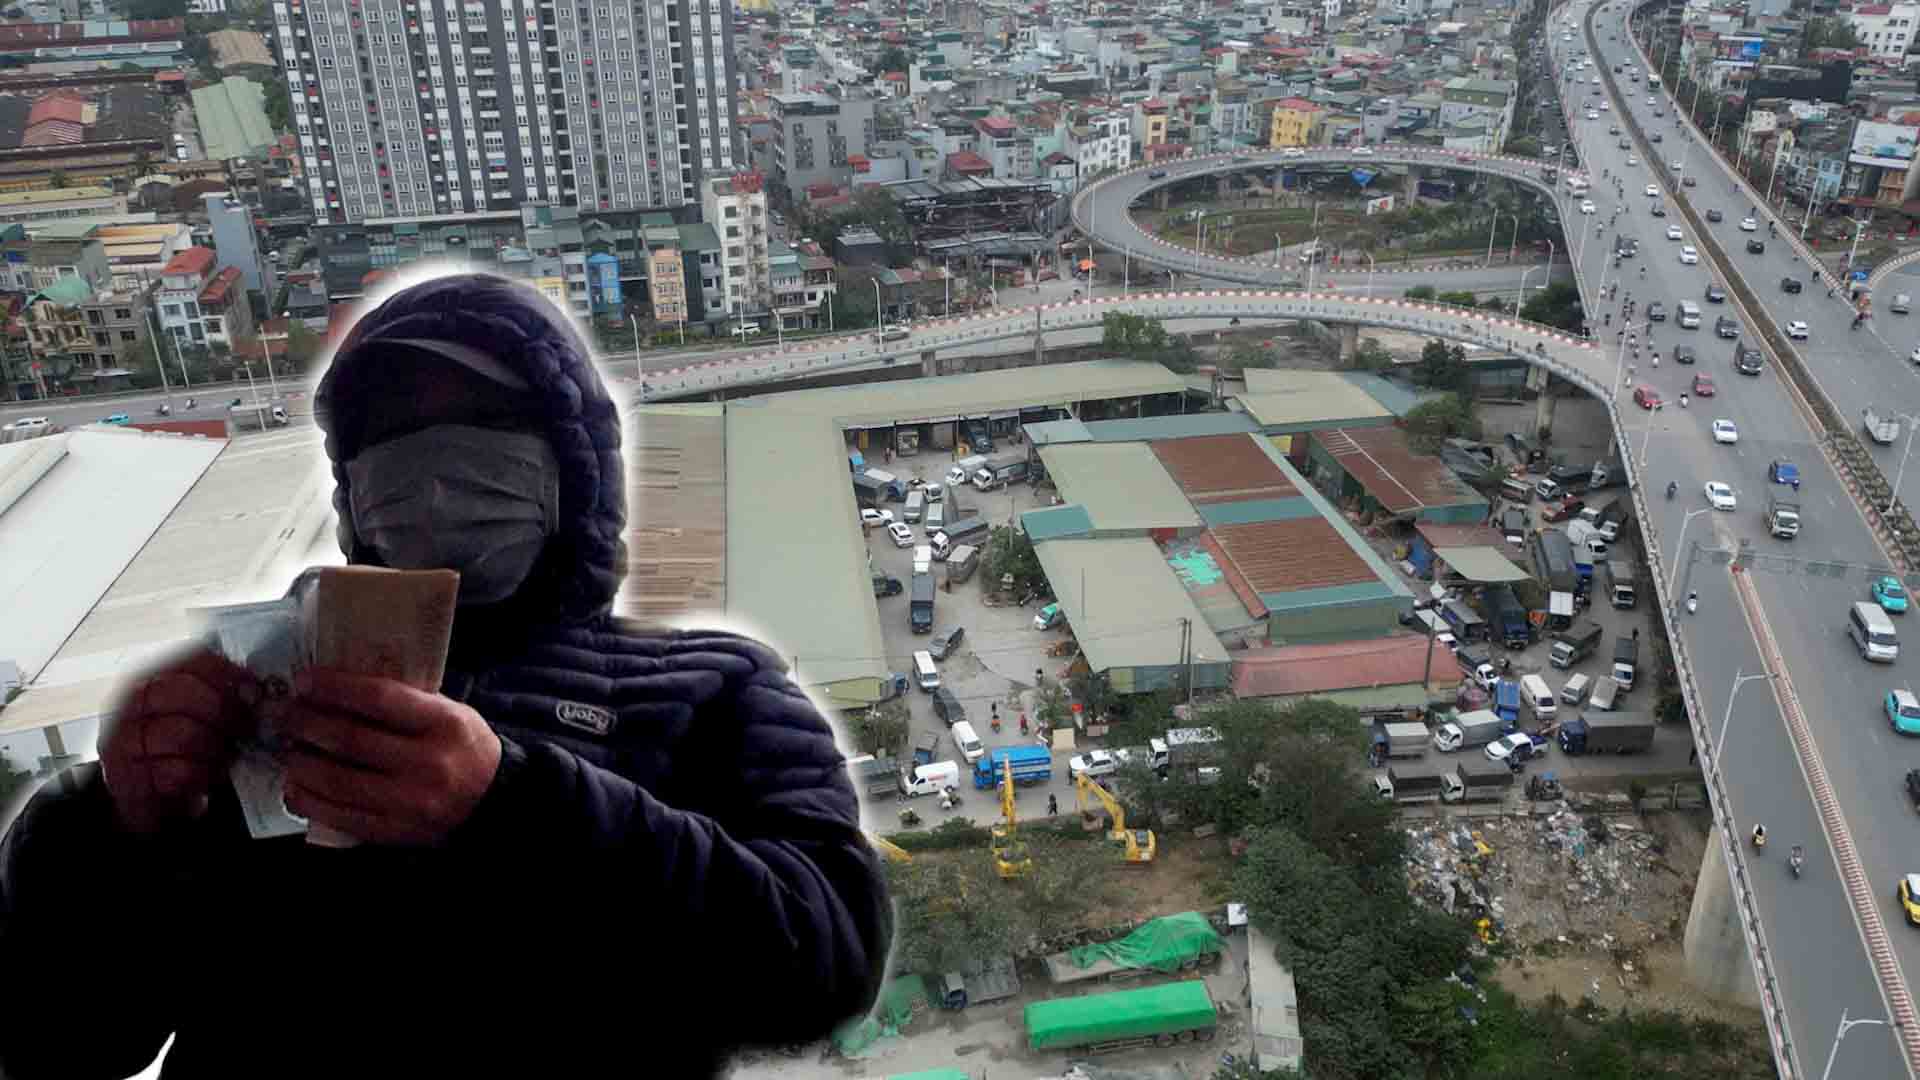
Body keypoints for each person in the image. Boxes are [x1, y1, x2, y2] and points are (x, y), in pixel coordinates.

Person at [0, 273, 893, 1079]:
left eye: (484, 425)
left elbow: (824, 964)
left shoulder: (716, 686)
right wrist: (113, 829)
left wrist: (517, 802)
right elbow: (64, 1039)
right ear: (351, 485)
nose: (433, 474)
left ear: (574, 463)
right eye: (395, 437)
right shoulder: (260, 702)